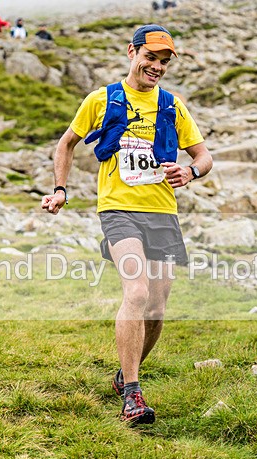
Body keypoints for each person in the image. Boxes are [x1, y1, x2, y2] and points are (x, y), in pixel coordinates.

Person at [41, 24, 213, 425]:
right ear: (132, 52)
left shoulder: (172, 105)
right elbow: (65, 143)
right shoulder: (101, 99)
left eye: (163, 61)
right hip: (117, 209)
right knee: (136, 293)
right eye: (150, 57)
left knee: (156, 308)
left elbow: (204, 156)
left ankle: (125, 373)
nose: (156, 66)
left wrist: (190, 173)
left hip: (162, 212)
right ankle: (133, 395)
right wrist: (61, 189)